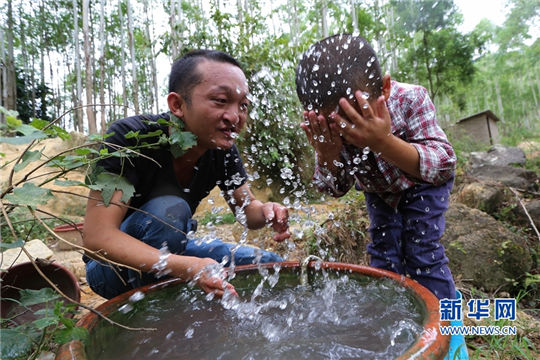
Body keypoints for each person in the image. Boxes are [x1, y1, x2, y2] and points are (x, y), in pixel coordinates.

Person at [83, 49, 290, 300]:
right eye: (221, 101)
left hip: (176, 250)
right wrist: (188, 267)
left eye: (243, 105)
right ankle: (158, 317)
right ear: (177, 105)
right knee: (171, 210)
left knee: (270, 264)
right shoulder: (130, 138)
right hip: (110, 268)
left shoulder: (221, 148)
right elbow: (96, 238)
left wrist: (268, 211)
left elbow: (247, 212)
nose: (235, 117)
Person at [295, 34, 457, 300]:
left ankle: (445, 328)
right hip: (379, 191)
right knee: (384, 254)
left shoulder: (410, 100)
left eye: (355, 119)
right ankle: (393, 319)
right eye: (337, 127)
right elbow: (334, 188)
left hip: (421, 184)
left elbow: (444, 164)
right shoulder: (328, 126)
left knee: (422, 253)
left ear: (384, 89)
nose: (348, 132)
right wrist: (327, 154)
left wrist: (383, 142)